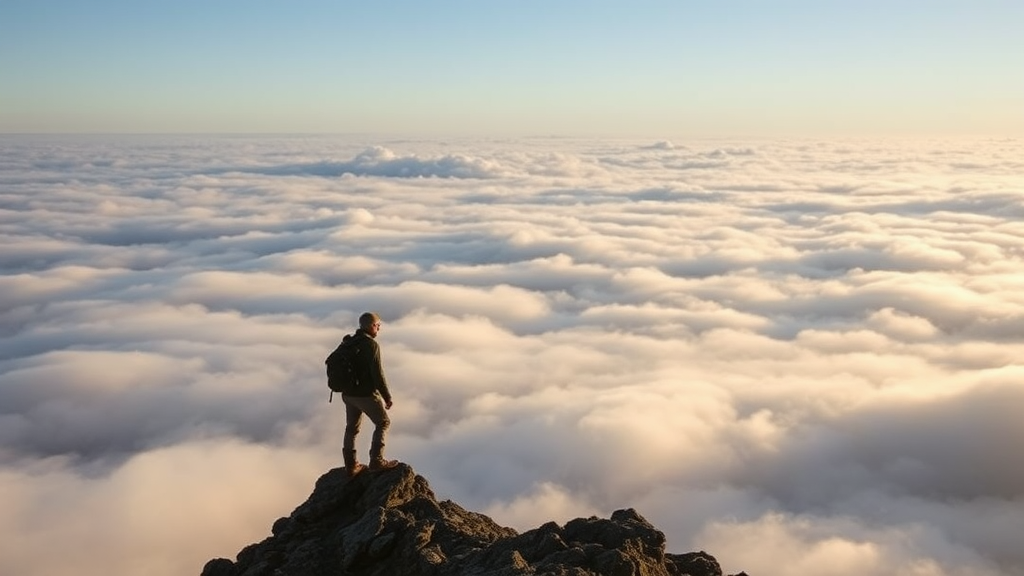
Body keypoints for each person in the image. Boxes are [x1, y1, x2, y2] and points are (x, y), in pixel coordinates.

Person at [341, 312, 398, 477]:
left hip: (348, 394)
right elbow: (378, 374)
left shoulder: (348, 342)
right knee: (383, 423)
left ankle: (350, 466)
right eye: (378, 325)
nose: (379, 329)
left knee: (351, 428)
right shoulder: (371, 345)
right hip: (365, 395)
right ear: (372, 326)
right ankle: (376, 461)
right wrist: (387, 396)